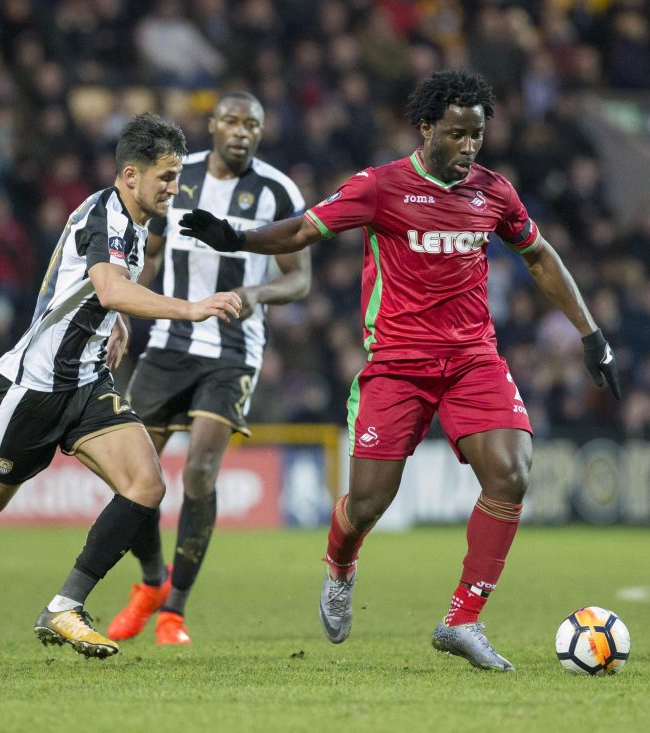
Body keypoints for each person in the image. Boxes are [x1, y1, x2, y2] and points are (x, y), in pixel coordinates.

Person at [179, 70, 621, 672]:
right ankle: (340, 564)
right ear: (426, 127)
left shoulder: (494, 192)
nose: (469, 148)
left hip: (472, 361)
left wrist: (591, 333)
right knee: (367, 504)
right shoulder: (381, 187)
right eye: (458, 134)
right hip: (396, 366)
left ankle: (462, 619)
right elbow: (303, 228)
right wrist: (236, 237)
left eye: (478, 136)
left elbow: (539, 257)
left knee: (512, 473)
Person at [0, 112, 242, 667]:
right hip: (32, 388)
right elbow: (107, 284)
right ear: (130, 175)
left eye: (176, 176)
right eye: (166, 177)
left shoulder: (136, 218)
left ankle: (64, 605)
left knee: (146, 484)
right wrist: (190, 308)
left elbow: (97, 290)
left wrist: (113, 321)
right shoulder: (105, 215)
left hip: (86, 384)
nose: (174, 188)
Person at [105, 91, 310, 646]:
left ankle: (174, 610)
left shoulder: (278, 191)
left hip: (232, 349)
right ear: (212, 125)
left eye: (253, 124)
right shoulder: (176, 176)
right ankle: (149, 582)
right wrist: (121, 312)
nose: (241, 131)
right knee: (135, 473)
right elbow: (145, 256)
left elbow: (300, 277)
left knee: (199, 473)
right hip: (168, 342)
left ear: (262, 132)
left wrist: (256, 291)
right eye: (231, 121)